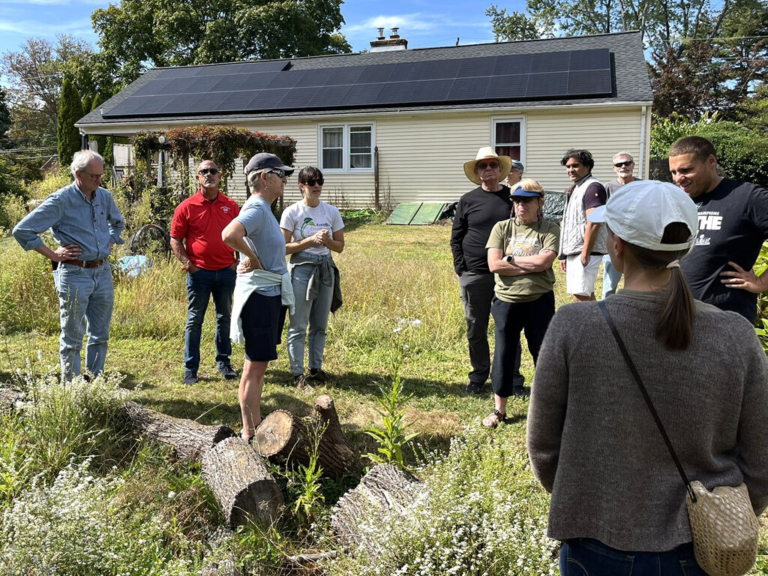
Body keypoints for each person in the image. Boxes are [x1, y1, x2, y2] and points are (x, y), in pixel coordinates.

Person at [528, 180, 768, 575]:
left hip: (594, 537)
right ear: (687, 246)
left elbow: (543, 446)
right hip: (700, 546)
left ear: (616, 244)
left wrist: (588, 497)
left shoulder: (572, 326)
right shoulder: (735, 333)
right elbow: (760, 456)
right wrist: (731, 510)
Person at [13, 150, 125, 381]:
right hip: (74, 273)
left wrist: (109, 241)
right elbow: (22, 230)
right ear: (78, 174)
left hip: (102, 272)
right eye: (94, 176)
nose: (99, 180)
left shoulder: (104, 196)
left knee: (100, 334)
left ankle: (95, 384)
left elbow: (118, 223)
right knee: (73, 335)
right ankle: (72, 388)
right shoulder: (61, 200)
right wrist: (53, 255)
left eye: (101, 175)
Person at [222, 153, 295, 442]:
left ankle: (251, 428)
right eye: (280, 174)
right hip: (261, 296)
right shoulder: (257, 208)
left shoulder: (264, 208)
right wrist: (252, 257)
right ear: (264, 178)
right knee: (255, 368)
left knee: (256, 366)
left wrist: (251, 256)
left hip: (267, 293)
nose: (285, 180)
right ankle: (251, 433)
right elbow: (230, 233)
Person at [482, 180, 560, 427]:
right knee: (504, 353)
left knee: (543, 353)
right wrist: (530, 264)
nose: (521, 205)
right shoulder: (502, 228)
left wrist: (511, 259)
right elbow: (494, 264)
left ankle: (548, 408)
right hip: (506, 301)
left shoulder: (549, 228)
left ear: (540, 202)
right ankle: (499, 410)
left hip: (539, 300)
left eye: (527, 200)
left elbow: (544, 264)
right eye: (516, 200)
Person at [669, 136, 768, 323]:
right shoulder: (681, 201)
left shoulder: (747, 197)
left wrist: (762, 282)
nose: (678, 179)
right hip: (680, 316)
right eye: (673, 172)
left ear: (711, 162)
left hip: (726, 321)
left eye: (686, 170)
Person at [450, 146, 524, 396]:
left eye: (493, 165)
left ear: (501, 170)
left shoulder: (513, 198)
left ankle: (512, 379)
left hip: (507, 273)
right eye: (483, 166)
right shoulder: (468, 200)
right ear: (478, 172)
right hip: (475, 274)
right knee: (475, 328)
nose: (489, 169)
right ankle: (479, 376)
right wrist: (461, 268)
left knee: (509, 327)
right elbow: (456, 236)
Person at [170, 160, 240, 386]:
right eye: (204, 172)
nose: (209, 174)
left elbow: (243, 235)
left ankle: (224, 362)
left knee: (225, 317)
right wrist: (188, 264)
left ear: (220, 177)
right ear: (197, 178)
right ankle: (190, 369)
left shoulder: (231, 205)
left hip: (226, 271)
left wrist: (236, 261)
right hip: (199, 274)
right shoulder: (186, 206)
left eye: (213, 171)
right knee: (195, 320)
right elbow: (175, 239)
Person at [280, 167, 344, 387]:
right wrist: (310, 241)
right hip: (301, 269)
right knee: (298, 323)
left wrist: (326, 242)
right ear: (302, 186)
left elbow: (340, 247)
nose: (317, 186)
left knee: (320, 324)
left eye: (319, 182)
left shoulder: (331, 212)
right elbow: (283, 248)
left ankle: (315, 369)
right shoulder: (292, 212)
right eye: (311, 182)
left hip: (325, 268)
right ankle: (298, 374)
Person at [558, 149, 607, 302]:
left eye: (575, 166)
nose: (570, 170)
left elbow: (594, 222)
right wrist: (564, 254)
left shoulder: (593, 187)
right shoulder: (577, 187)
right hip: (577, 251)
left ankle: (587, 326)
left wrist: (585, 254)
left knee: (580, 297)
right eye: (568, 167)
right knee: (585, 295)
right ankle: (601, 326)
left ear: (588, 166)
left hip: (585, 252)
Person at [601, 151, 641, 298]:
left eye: (627, 163)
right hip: (614, 241)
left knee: (638, 281)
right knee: (609, 285)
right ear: (614, 168)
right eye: (619, 164)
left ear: (633, 165)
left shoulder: (642, 186)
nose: (623, 166)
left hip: (638, 241)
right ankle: (606, 312)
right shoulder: (607, 188)